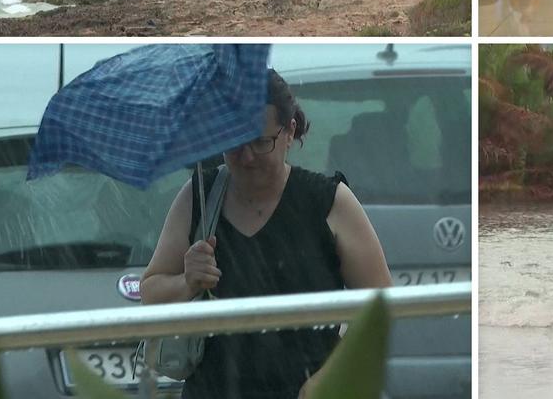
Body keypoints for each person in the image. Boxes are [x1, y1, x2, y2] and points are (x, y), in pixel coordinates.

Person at [142, 69, 393, 399]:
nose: (246, 158)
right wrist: (186, 281)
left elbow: (382, 305)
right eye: (234, 143)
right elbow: (149, 293)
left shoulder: (329, 202)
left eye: (261, 143)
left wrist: (329, 379)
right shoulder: (198, 198)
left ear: (289, 132)